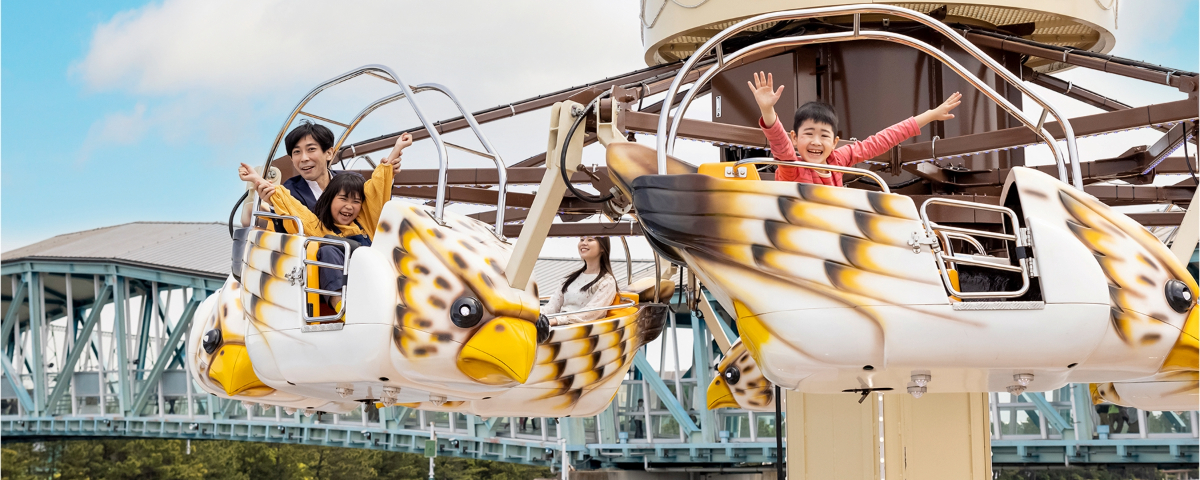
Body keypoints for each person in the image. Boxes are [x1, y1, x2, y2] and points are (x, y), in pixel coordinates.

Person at [238, 132, 412, 309]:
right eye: (297, 152)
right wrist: (257, 181)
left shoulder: (355, 196)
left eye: (311, 149)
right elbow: (296, 212)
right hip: (328, 270)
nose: (304, 158)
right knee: (328, 249)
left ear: (329, 153)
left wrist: (394, 154)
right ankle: (341, 307)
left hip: (368, 267)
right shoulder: (310, 215)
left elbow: (375, 190)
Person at [747, 71, 962, 186]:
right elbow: (780, 145)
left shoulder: (838, 161)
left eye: (824, 135)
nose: (816, 142)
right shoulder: (792, 168)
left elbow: (880, 141)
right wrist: (767, 110)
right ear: (794, 138)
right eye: (809, 134)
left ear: (834, 142)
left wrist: (931, 115)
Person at [542, 236, 619, 326]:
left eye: (590, 240)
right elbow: (552, 307)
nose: (584, 243)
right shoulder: (569, 279)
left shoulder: (607, 281)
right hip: (558, 326)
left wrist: (557, 320)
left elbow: (592, 313)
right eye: (581, 240)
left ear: (602, 247)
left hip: (580, 330)